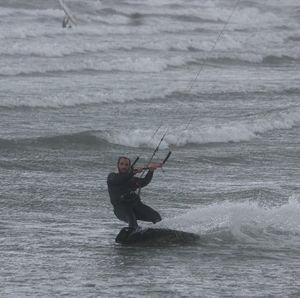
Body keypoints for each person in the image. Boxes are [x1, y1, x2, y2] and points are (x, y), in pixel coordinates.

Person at [107, 156, 162, 231]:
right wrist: (132, 172)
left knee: (157, 217)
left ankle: (158, 234)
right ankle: (131, 234)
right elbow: (120, 179)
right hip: (121, 209)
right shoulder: (112, 177)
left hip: (136, 206)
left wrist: (151, 171)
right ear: (118, 165)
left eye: (126, 165)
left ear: (129, 166)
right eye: (122, 164)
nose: (124, 166)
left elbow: (144, 181)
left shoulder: (132, 180)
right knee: (133, 224)